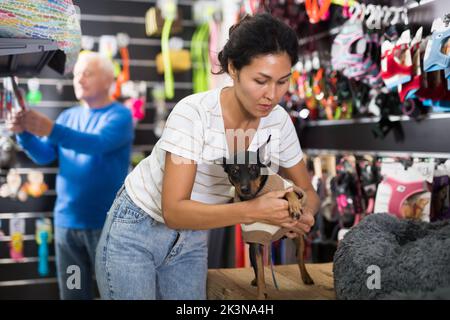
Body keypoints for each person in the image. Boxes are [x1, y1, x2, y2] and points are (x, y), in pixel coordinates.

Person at [95, 13, 320, 300]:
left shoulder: (278, 122)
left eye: (282, 82)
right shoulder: (194, 114)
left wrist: (303, 215)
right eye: (261, 80)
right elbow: (174, 211)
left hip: (195, 233)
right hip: (138, 228)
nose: (272, 95)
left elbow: (308, 192)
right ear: (233, 68)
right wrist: (255, 210)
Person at [7, 52, 134, 299]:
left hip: (107, 227)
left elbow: (95, 143)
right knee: (75, 292)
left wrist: (50, 129)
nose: (79, 79)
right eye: (76, 74)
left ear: (109, 79)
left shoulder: (120, 116)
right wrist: (24, 133)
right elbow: (44, 155)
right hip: (68, 226)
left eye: (87, 73)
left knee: (117, 293)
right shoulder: (68, 117)